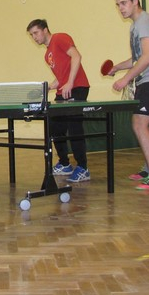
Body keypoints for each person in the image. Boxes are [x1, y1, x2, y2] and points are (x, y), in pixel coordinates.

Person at [107, 0, 149, 191]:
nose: (120, 8)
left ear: (135, 1)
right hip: (146, 81)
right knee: (138, 123)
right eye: (118, 5)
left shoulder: (145, 22)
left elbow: (148, 57)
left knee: (141, 125)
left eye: (124, 3)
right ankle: (147, 168)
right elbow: (137, 58)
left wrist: (126, 79)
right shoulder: (136, 26)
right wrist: (117, 67)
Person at [27, 19, 91, 183]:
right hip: (64, 90)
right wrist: (48, 87)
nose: (34, 37)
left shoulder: (60, 38)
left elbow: (76, 56)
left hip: (77, 87)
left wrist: (70, 82)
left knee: (74, 128)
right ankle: (64, 163)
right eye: (31, 35)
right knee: (54, 127)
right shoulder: (47, 55)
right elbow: (60, 77)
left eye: (36, 33)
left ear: (45, 30)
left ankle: (83, 168)